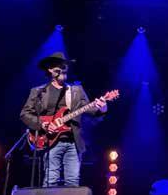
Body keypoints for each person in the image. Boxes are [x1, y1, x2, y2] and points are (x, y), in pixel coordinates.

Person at [20, 52, 107, 186]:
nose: (64, 67)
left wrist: (102, 107)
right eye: (59, 65)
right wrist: (43, 124)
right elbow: (25, 114)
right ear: (50, 69)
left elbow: (91, 110)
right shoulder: (38, 91)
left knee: (73, 181)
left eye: (65, 65)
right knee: (51, 180)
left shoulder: (76, 91)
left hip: (73, 141)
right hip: (50, 141)